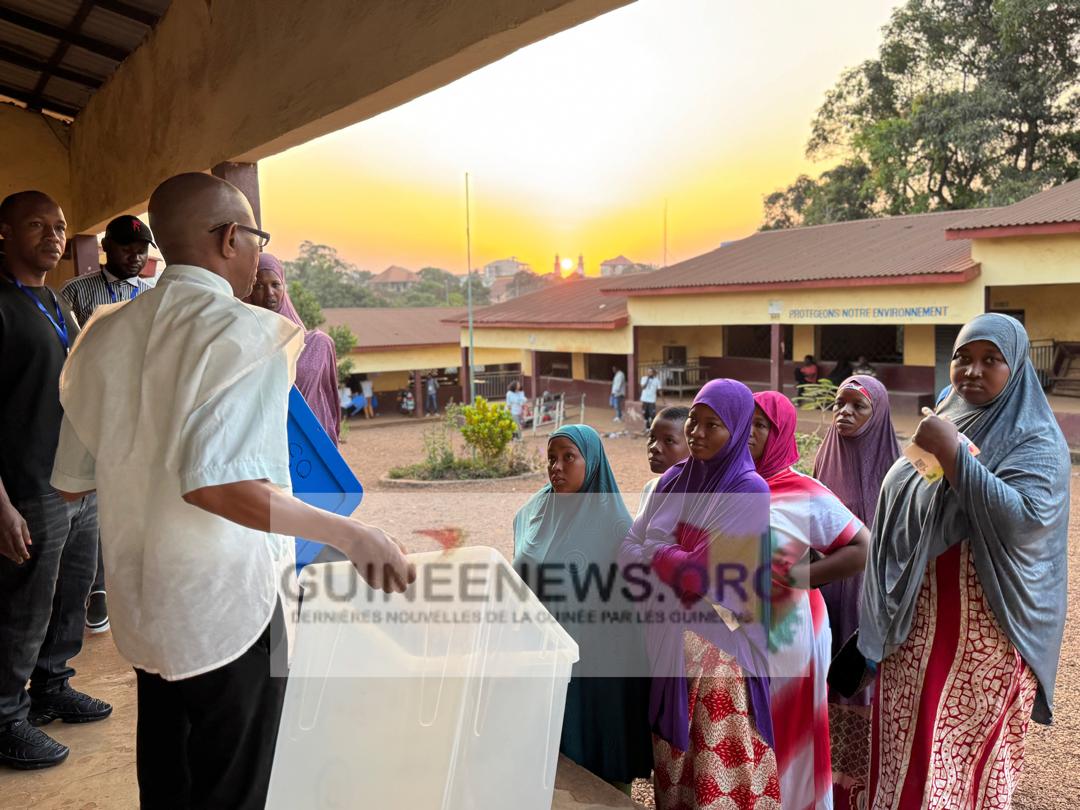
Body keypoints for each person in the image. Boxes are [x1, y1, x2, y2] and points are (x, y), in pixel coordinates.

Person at [50, 173, 414, 809]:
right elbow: (216, 485)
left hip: (146, 597)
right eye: (255, 238)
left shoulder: (103, 334)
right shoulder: (245, 333)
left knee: (168, 769)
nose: (256, 255)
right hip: (228, 605)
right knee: (237, 782)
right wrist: (352, 532)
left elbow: (73, 483)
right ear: (227, 239)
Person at [860, 314, 1069, 810]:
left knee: (960, 755)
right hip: (917, 620)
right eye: (962, 358)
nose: (973, 371)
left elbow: (1026, 521)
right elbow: (902, 498)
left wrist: (955, 454)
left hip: (984, 630)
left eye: (990, 360)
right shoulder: (948, 420)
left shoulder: (1036, 440)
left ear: (1014, 368)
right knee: (905, 744)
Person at [620, 379, 781, 809]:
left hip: (719, 659)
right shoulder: (674, 480)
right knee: (674, 770)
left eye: (714, 425)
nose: (697, 433)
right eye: (694, 419)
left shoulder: (747, 490)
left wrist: (655, 551)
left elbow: (700, 574)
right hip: (667, 645)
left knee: (718, 773)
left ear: (739, 430)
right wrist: (668, 558)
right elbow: (626, 551)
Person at [0, 191, 110, 771]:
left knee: (71, 593)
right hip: (26, 485)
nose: (53, 235)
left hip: (74, 479)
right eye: (38, 225)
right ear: (5, 231)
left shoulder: (53, 301)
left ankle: (52, 686)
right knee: (24, 607)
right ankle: (4, 718)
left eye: (61, 226)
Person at [512, 425, 653, 790]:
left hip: (599, 659)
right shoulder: (537, 509)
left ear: (591, 463)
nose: (556, 467)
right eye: (551, 459)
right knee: (550, 757)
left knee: (599, 747)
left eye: (568, 457)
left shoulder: (616, 525)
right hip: (545, 652)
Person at [749, 391, 870, 810]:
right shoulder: (721, 482)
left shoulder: (802, 490)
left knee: (790, 732)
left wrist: (802, 576)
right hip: (735, 632)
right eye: (742, 421)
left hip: (791, 632)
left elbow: (861, 547)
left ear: (780, 432)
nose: (748, 432)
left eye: (760, 425)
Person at [59, 215, 156, 635]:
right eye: (126, 248)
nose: (135, 256)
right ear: (106, 247)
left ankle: (131, 582)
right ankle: (97, 589)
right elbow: (70, 356)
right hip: (91, 410)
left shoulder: (152, 294)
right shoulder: (75, 293)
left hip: (139, 410)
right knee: (95, 497)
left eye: (142, 249)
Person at [812, 374, 899, 809]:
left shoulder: (900, 470)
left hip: (872, 594)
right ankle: (823, 782)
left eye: (856, 406)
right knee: (825, 678)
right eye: (838, 404)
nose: (843, 412)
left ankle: (865, 788)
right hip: (827, 591)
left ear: (877, 413)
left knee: (862, 679)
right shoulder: (825, 460)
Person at [246, 253, 340, 444]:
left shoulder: (318, 345)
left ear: (284, 286)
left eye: (275, 284)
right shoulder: (245, 343)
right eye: (258, 286)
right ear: (249, 291)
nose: (269, 293)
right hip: (265, 444)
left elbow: (329, 400)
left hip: (312, 445)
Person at [638, 405, 690, 514]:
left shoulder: (698, 497)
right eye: (652, 437)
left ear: (692, 446)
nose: (654, 447)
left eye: (669, 440)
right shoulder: (650, 488)